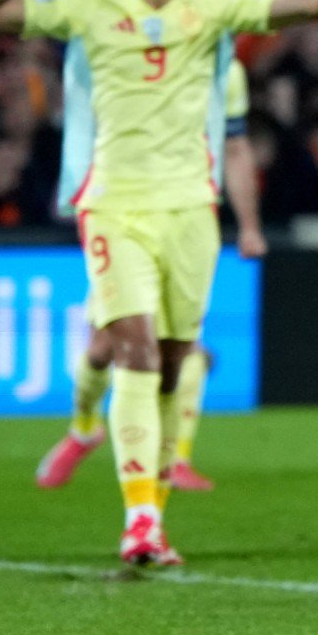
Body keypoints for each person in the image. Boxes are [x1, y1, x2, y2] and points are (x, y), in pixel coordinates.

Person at [0, 0, 318, 565]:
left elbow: (308, 1)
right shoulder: (89, 3)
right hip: (114, 203)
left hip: (191, 207)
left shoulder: (213, 0)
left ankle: (149, 514)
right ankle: (139, 524)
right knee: (134, 347)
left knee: (173, 366)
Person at [34, 57, 267, 493]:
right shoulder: (122, 49)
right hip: (124, 213)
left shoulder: (223, 69)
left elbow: (235, 145)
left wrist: (250, 226)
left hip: (187, 216)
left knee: (184, 348)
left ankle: (174, 461)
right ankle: (84, 428)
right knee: (104, 347)